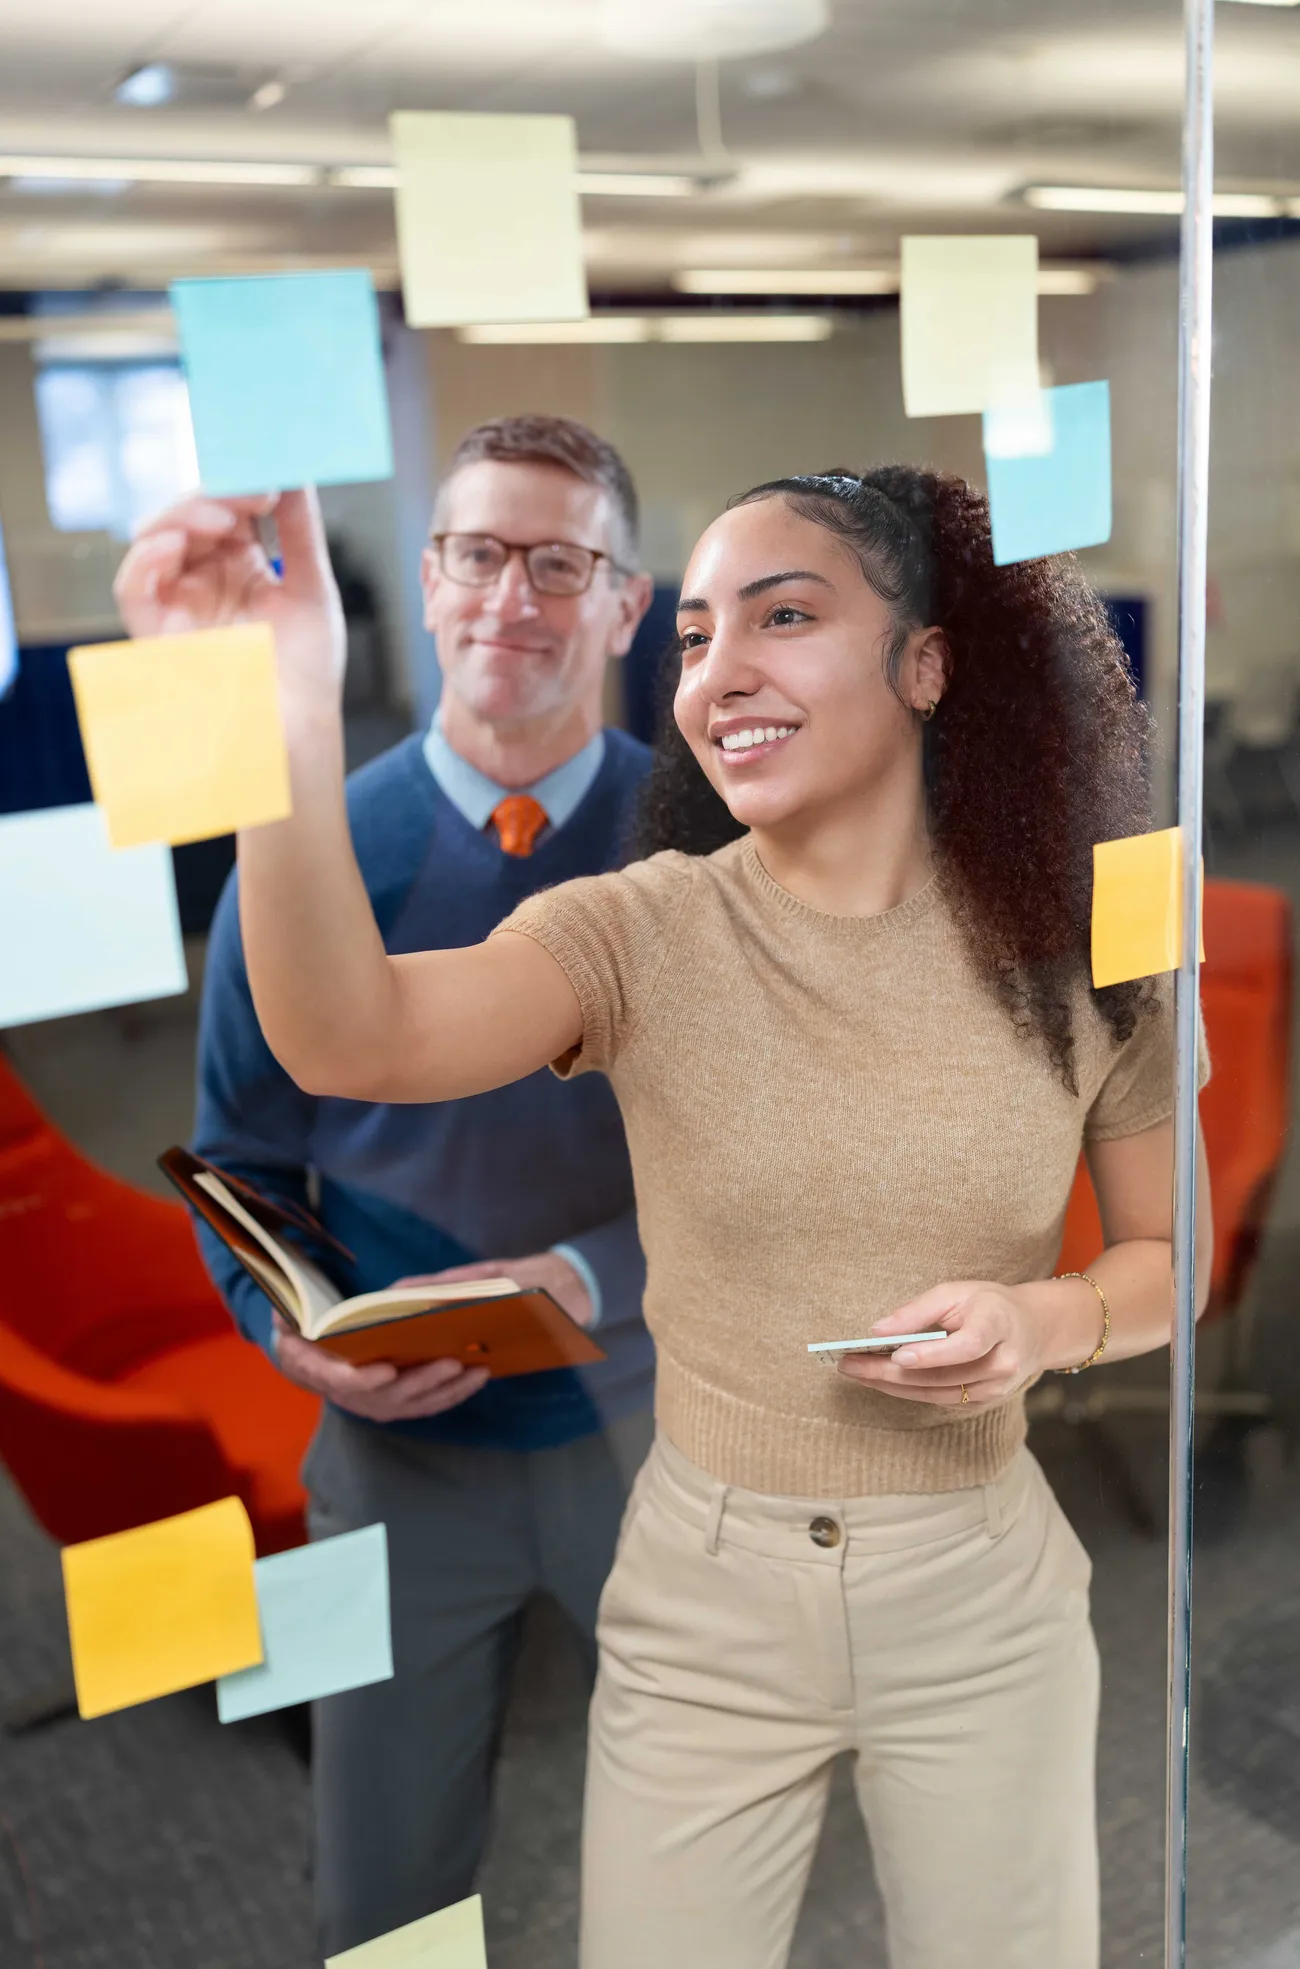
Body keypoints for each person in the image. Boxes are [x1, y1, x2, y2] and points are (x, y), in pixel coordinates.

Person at [118, 462, 1212, 1969]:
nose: (721, 675)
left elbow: (1174, 1257)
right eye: (694, 637)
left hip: (979, 1590)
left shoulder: (1090, 934)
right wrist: (282, 712)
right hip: (707, 1594)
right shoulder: (644, 929)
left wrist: (1043, 1321)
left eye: (783, 616)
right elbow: (346, 1038)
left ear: (929, 661)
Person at [140, 415, 657, 1954]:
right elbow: (239, 1158)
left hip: (659, 1431)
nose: (513, 595)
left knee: (706, 1867)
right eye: (480, 554)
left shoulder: (705, 859)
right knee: (377, 1889)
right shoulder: (297, 858)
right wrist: (284, 1330)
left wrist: (590, 1281)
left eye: (561, 562)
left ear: (628, 606)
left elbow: (772, 1162)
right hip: (386, 1460)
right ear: (426, 585)